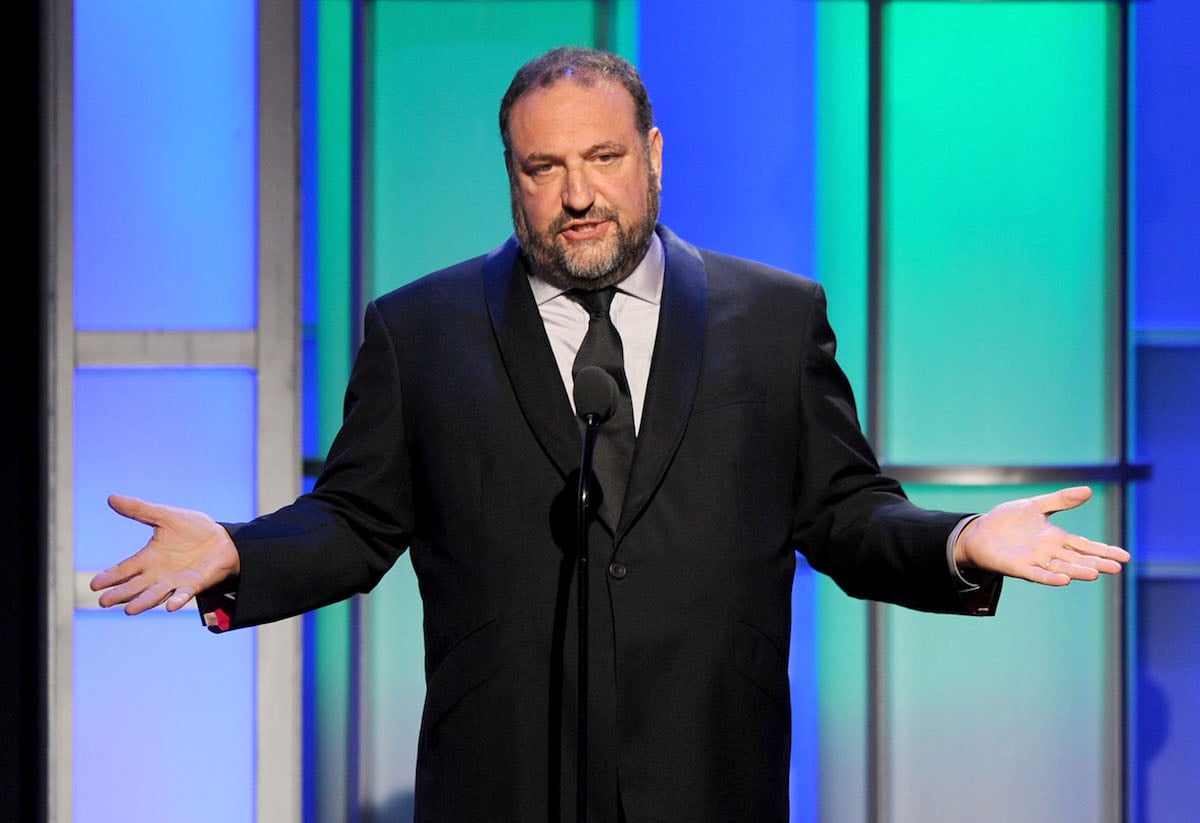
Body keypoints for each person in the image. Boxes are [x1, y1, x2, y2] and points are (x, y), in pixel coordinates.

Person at [91, 47, 1129, 822]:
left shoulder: (773, 321)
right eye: (543, 167)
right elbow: (359, 521)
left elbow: (847, 514)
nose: (578, 193)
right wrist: (240, 549)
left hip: (707, 779)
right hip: (500, 785)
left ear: (653, 155)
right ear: (510, 173)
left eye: (602, 157)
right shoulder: (419, 330)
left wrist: (957, 541)